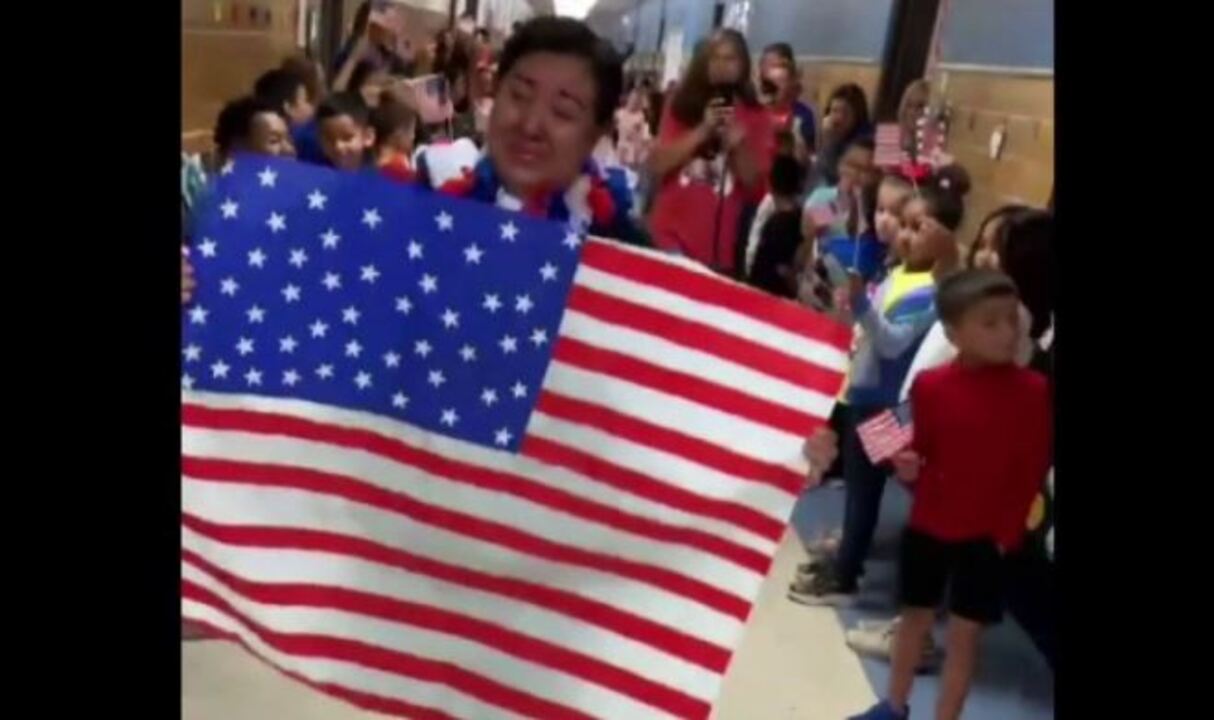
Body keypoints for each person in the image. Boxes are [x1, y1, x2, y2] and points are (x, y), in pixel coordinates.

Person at [849, 269, 1051, 720]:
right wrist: (905, 460)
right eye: (990, 323)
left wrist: (1005, 535)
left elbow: (1031, 469)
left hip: (988, 537)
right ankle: (893, 707)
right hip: (929, 523)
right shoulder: (932, 386)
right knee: (913, 621)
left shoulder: (1034, 393)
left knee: (964, 636)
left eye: (1010, 320)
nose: (1007, 332)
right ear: (955, 334)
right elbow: (922, 448)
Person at [791, 166, 971, 606]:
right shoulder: (899, 272)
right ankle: (848, 560)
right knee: (859, 489)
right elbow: (869, 331)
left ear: (943, 238)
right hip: (866, 396)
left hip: (891, 408)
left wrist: (862, 304)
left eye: (916, 227)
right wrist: (849, 305)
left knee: (866, 492)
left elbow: (891, 342)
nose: (904, 235)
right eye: (902, 225)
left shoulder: (930, 290)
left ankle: (847, 575)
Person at [411, 16, 644, 245]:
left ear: (597, 133)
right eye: (519, 96)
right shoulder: (426, 204)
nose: (530, 125)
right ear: (495, 91)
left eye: (562, 111)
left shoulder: (626, 254)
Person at [647, 29, 775, 275]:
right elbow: (658, 164)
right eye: (714, 58)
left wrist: (738, 144)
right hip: (669, 235)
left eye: (730, 59)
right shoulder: (681, 102)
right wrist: (703, 130)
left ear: (743, 65)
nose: (722, 66)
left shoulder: (757, 115)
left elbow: (756, 187)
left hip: (718, 249)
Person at [747, 154, 807, 298]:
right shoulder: (804, 215)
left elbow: (782, 269)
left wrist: (799, 295)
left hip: (768, 298)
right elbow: (836, 207)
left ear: (771, 183)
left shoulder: (775, 226)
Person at [758, 42, 815, 158]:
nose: (769, 73)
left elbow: (808, 157)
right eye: (764, 66)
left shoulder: (803, 115)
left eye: (776, 66)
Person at [253, 68, 320, 164]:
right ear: (288, 108)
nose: (311, 107)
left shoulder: (253, 141)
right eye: (306, 100)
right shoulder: (309, 138)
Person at [814, 83, 872, 188]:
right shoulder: (833, 132)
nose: (838, 118)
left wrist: (830, 142)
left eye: (845, 112)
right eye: (834, 111)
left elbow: (833, 177)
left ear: (857, 115)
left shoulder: (865, 139)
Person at [316, 92, 376, 172]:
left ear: (368, 137)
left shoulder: (384, 181)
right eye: (329, 139)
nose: (338, 146)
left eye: (347, 138)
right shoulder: (317, 178)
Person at [370, 93, 418, 183]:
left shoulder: (368, 166)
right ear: (397, 134)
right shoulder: (398, 168)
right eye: (411, 131)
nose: (413, 136)